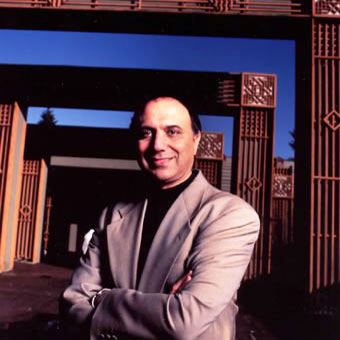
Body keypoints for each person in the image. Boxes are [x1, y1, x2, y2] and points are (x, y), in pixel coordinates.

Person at [60, 96, 260, 340]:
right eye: (146, 133)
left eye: (173, 132)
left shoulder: (230, 215)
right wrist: (163, 305)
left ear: (196, 141)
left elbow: (184, 322)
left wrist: (102, 297)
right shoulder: (111, 215)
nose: (158, 145)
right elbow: (71, 303)